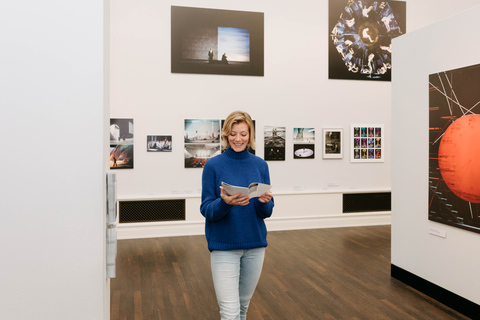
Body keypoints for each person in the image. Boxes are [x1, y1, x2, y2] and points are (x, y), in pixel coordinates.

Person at [200, 111, 274, 320]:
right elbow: (206, 209)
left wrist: (264, 202)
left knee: (242, 308)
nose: (238, 139)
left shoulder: (261, 165)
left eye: (243, 134)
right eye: (233, 134)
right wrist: (225, 203)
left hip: (255, 246)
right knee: (230, 312)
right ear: (226, 135)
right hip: (224, 247)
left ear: (250, 135)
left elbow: (266, 212)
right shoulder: (213, 166)